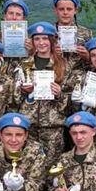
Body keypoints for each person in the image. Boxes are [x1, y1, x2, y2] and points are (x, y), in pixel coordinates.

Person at [16, 21, 72, 165]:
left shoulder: (63, 66)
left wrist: (59, 95)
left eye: (45, 38)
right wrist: (23, 91)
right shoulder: (24, 65)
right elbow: (14, 99)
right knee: (29, 166)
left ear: (52, 41)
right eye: (37, 39)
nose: (41, 43)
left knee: (52, 169)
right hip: (29, 126)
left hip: (53, 128)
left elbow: (72, 101)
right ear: (32, 41)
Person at [52, 0, 92, 69]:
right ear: (55, 10)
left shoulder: (86, 33)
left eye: (69, 9)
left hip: (78, 76)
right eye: (61, 9)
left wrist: (87, 56)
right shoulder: (48, 33)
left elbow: (95, 63)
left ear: (75, 10)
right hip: (54, 75)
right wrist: (52, 54)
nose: (65, 12)